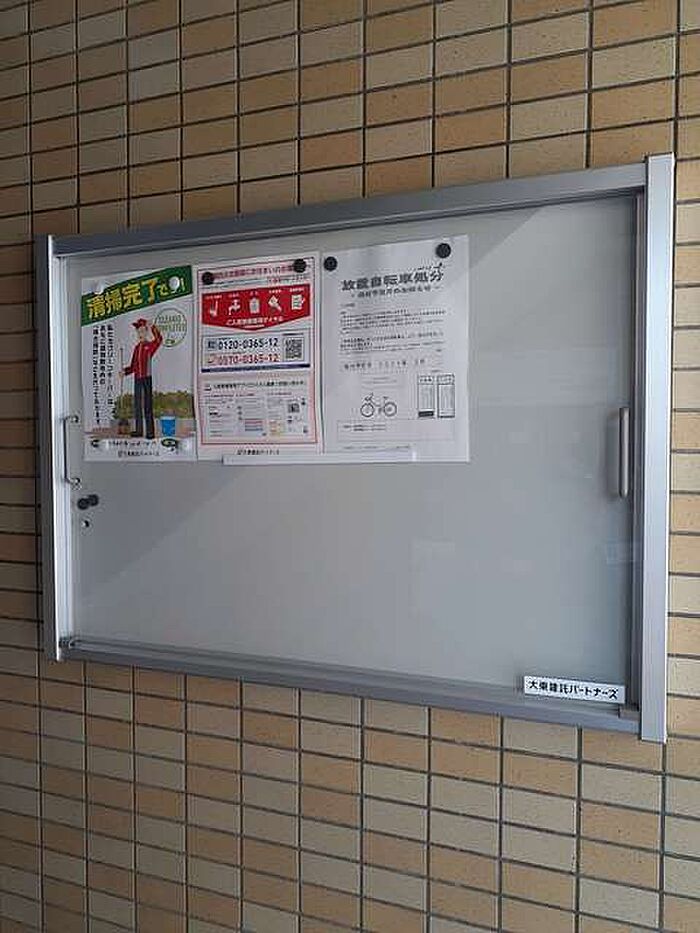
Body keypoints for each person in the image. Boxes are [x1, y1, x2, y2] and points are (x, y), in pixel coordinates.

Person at [121, 318, 162, 439]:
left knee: (148, 405)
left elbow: (159, 340)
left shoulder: (150, 346)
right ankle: (139, 430)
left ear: (147, 332)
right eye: (138, 331)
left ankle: (150, 432)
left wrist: (153, 327)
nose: (140, 333)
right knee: (137, 405)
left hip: (147, 378)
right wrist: (125, 371)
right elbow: (133, 366)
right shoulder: (136, 348)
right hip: (137, 379)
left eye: (143, 331)